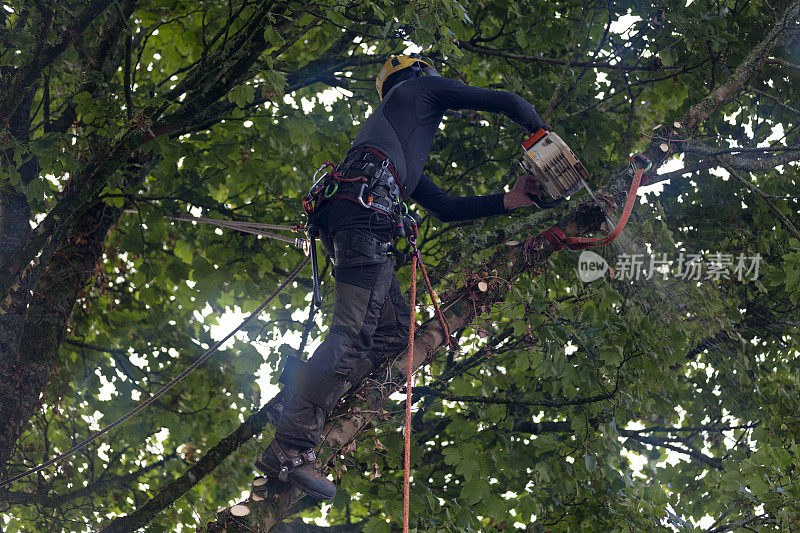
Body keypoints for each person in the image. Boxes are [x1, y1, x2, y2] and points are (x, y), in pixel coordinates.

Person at [255, 54, 549, 499]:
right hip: (363, 217)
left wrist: (511, 201)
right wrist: (539, 133)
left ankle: (302, 395)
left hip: (361, 218)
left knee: (393, 336)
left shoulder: (398, 155)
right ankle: (291, 448)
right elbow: (507, 100)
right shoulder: (415, 91)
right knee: (352, 336)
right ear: (417, 76)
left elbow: (446, 208)